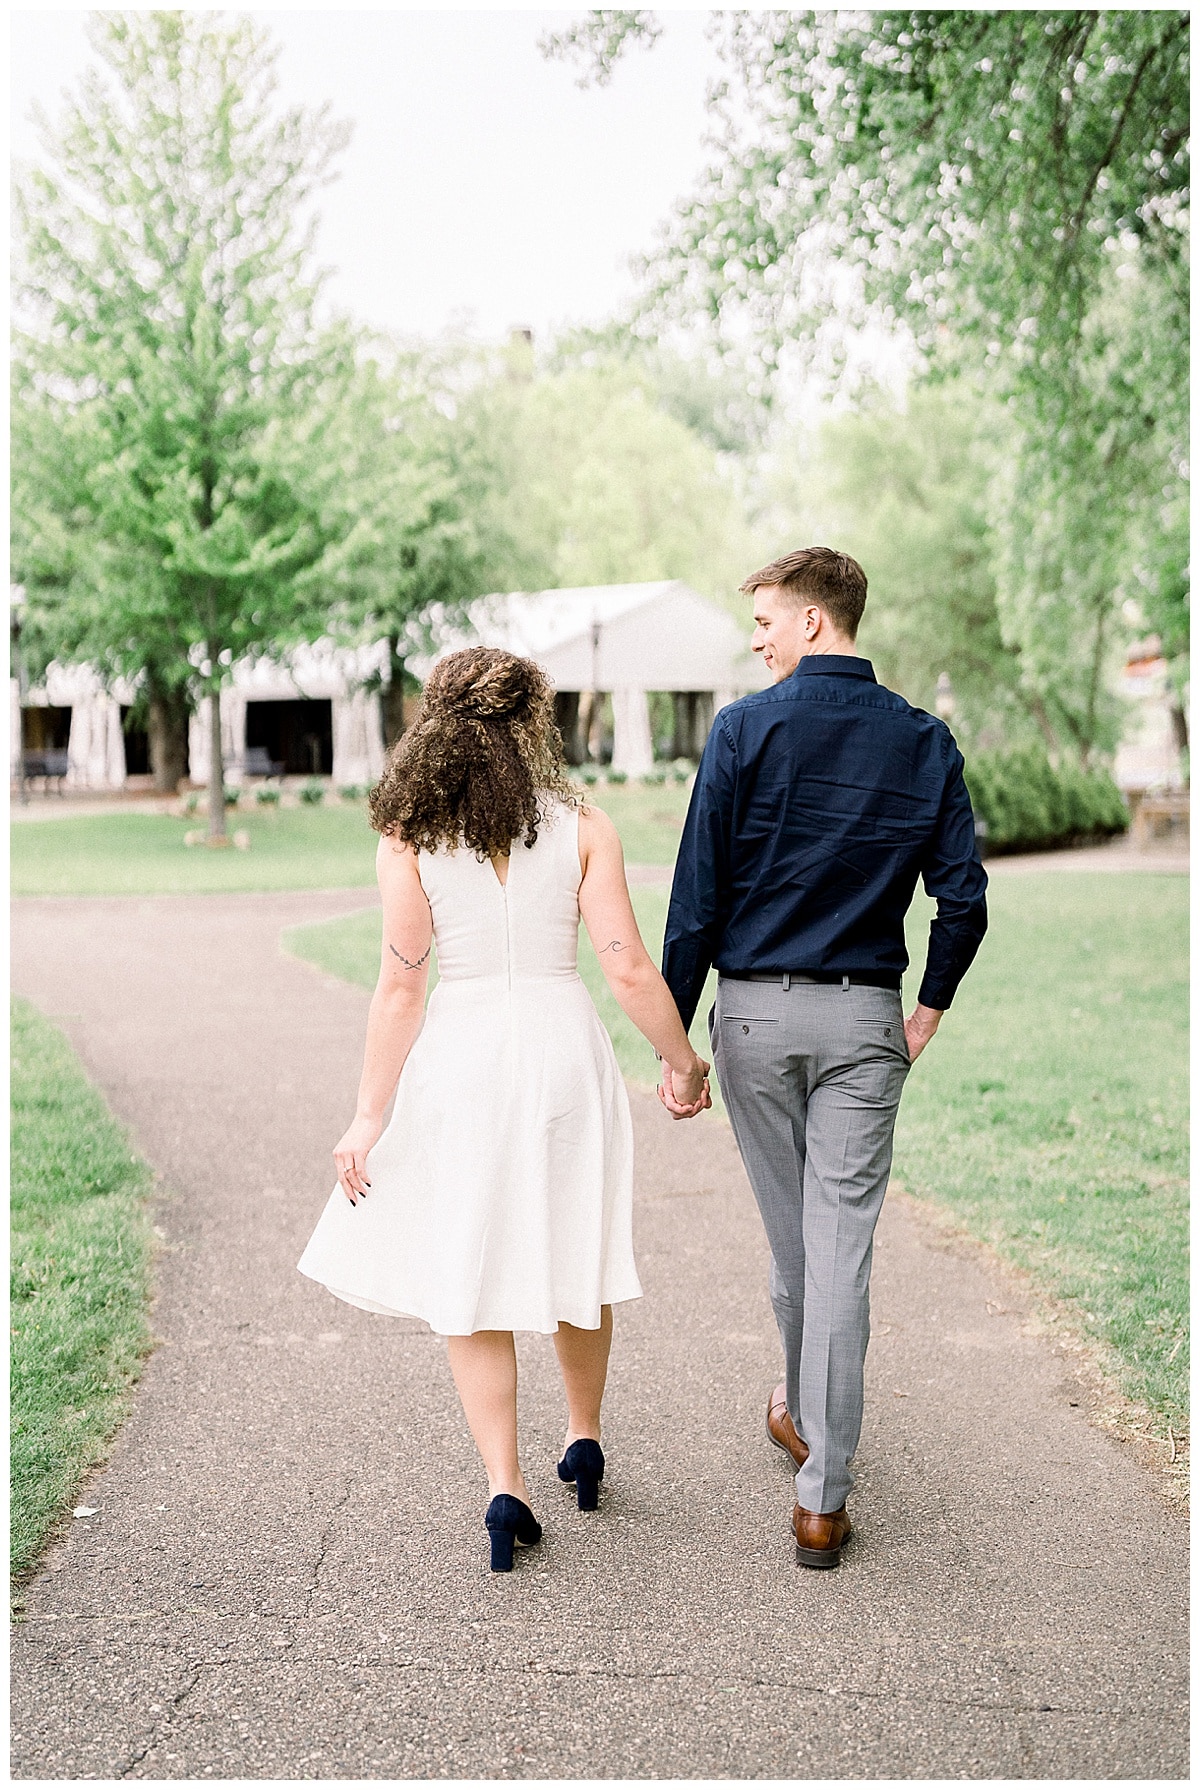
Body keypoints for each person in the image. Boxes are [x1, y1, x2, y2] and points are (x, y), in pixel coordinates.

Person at [298, 647, 710, 1572]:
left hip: (463, 1059)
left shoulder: (407, 835)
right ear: (534, 723)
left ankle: (504, 1488)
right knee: (578, 1250)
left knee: (470, 1272)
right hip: (565, 1055)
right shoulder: (581, 824)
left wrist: (369, 1115)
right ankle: (586, 1435)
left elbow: (400, 989)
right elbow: (626, 966)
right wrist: (682, 1063)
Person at [660, 547, 988, 1568]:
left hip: (753, 1020)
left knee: (799, 1241)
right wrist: (926, 1007)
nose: (755, 637)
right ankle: (822, 1491)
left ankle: (805, 1410)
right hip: (863, 1026)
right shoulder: (923, 739)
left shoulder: (743, 730)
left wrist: (679, 1040)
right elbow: (964, 897)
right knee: (838, 1241)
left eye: (765, 619)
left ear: (813, 621)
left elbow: (697, 896)